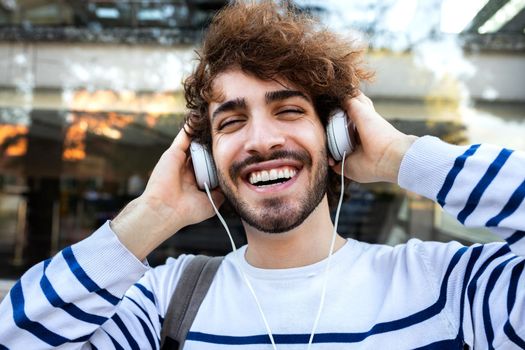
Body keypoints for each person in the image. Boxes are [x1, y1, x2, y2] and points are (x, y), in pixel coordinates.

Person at [1, 2, 524, 349]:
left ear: (337, 136)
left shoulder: (447, 287)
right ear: (206, 161)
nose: (259, 140)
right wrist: (150, 217)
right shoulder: (162, 303)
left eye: (289, 111)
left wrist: (403, 157)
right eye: (231, 121)